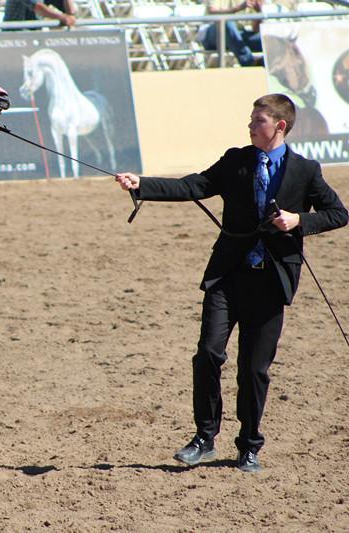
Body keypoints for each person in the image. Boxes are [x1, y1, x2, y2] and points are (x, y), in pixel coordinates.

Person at [115, 94, 347, 473]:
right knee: (208, 353)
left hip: (271, 281)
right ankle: (204, 437)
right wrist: (142, 185)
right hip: (228, 275)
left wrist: (298, 220)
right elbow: (194, 186)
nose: (250, 126)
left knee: (253, 370)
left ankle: (249, 445)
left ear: (280, 126)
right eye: (251, 119)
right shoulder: (235, 160)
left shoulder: (305, 171)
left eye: (258, 120)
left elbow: (339, 213)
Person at [197, 0, 264, 67]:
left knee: (262, 39)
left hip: (236, 36)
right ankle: (249, 61)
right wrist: (238, 8)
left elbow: (255, 29)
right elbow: (212, 11)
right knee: (226, 24)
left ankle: (267, 64)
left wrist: (259, 12)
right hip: (212, 34)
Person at [3, 0, 76, 28]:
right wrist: (62, 17)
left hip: (33, 36)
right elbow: (38, 8)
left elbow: (70, 12)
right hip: (13, 38)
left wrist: (69, 17)